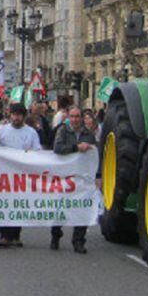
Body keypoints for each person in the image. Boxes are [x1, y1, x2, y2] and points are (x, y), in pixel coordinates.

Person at [0, 103, 41, 247]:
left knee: (18, 204)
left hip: (22, 175)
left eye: (19, 115)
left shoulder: (31, 132)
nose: (16, 118)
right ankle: (4, 235)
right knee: (4, 204)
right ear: (10, 115)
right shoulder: (2, 130)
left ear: (23, 116)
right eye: (14, 115)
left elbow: (37, 150)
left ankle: (15, 235)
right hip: (4, 175)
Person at [51, 106, 96, 254]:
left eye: (78, 116)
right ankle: (55, 235)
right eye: (72, 116)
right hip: (64, 177)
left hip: (81, 177)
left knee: (82, 208)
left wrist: (99, 176)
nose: (75, 119)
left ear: (82, 118)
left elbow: (94, 156)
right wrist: (76, 147)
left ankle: (79, 241)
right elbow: (57, 148)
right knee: (60, 208)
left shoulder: (88, 134)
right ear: (68, 117)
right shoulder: (63, 131)